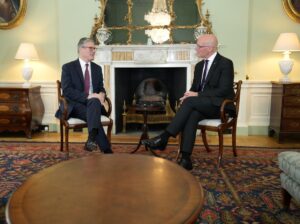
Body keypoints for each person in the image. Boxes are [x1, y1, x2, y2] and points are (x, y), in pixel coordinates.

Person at [142, 34, 235, 170]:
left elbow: (224, 90)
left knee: (191, 103)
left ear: (209, 48)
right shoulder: (199, 66)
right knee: (192, 115)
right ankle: (186, 158)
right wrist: (188, 95)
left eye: (198, 46)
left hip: (220, 106)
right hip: (202, 106)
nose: (196, 49)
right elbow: (194, 89)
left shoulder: (225, 63)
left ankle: (164, 137)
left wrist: (196, 95)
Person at [55, 37, 113, 154]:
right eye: (91, 48)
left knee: (94, 102)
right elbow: (67, 91)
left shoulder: (97, 68)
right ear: (81, 49)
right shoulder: (68, 67)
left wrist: (102, 93)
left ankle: (91, 139)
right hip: (74, 105)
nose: (94, 51)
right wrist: (88, 96)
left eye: (94, 48)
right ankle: (105, 149)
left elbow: (100, 87)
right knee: (93, 106)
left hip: (93, 104)